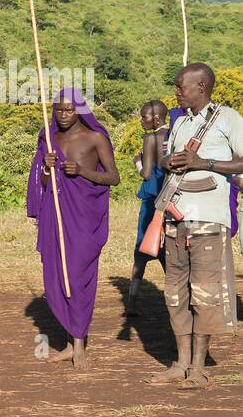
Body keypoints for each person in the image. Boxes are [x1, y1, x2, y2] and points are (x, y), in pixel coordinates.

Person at [148, 64, 243, 387]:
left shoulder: (227, 118)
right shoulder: (181, 122)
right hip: (176, 217)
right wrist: (168, 161)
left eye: (180, 87)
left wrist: (205, 163)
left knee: (204, 293)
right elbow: (163, 161)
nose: (176, 92)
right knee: (175, 293)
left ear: (200, 86)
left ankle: (198, 369)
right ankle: (180, 362)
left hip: (209, 219)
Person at [27, 89, 119, 368]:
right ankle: (70, 342)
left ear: (80, 110)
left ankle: (80, 344)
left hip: (84, 219)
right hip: (56, 216)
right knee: (58, 275)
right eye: (59, 110)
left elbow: (113, 178)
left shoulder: (95, 138)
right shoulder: (49, 139)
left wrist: (81, 172)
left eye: (69, 110)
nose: (63, 115)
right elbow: (43, 185)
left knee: (78, 276)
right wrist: (46, 169)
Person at [127, 100, 169, 316]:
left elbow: (147, 174)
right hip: (171, 199)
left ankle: (132, 303)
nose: (141, 120)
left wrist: (138, 162)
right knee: (168, 251)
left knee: (142, 250)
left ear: (157, 119)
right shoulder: (173, 133)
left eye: (144, 117)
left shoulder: (151, 137)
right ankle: (177, 298)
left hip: (152, 201)